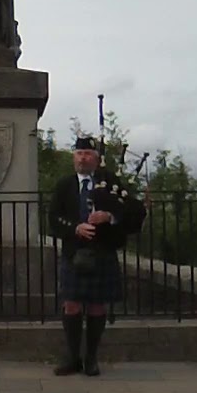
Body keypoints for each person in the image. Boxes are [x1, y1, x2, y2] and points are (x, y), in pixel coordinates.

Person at [47, 135, 146, 376]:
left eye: (88, 154)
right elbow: (52, 218)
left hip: (102, 250)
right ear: (74, 158)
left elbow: (134, 212)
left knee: (96, 306)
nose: (83, 158)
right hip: (74, 251)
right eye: (79, 153)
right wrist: (75, 228)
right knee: (71, 305)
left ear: (96, 159)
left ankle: (91, 359)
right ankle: (73, 358)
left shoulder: (110, 182)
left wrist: (110, 217)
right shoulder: (64, 185)